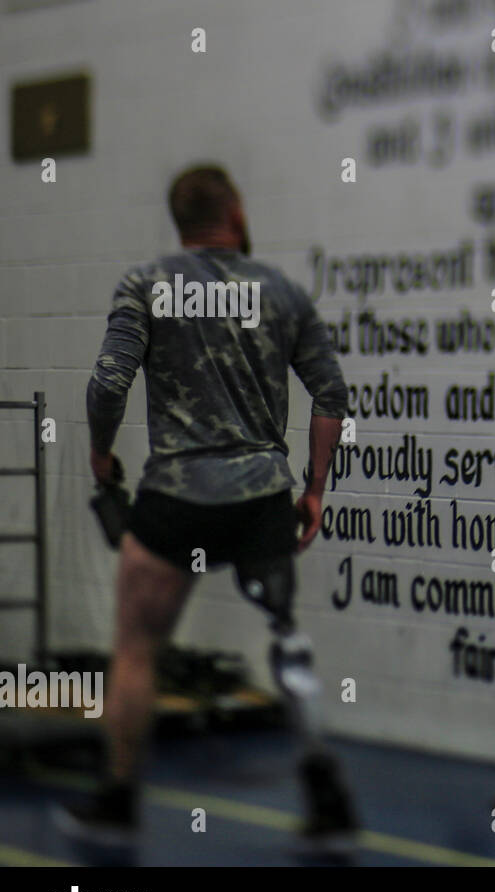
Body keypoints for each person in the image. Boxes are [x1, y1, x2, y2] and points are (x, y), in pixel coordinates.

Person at [55, 164, 358, 851]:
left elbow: (107, 381)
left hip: (177, 499)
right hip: (259, 497)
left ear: (180, 220)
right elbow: (332, 397)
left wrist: (102, 455)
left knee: (135, 648)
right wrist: (313, 489)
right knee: (287, 639)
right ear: (237, 212)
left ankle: (117, 801)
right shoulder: (280, 291)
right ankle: (329, 797)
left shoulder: (148, 284)